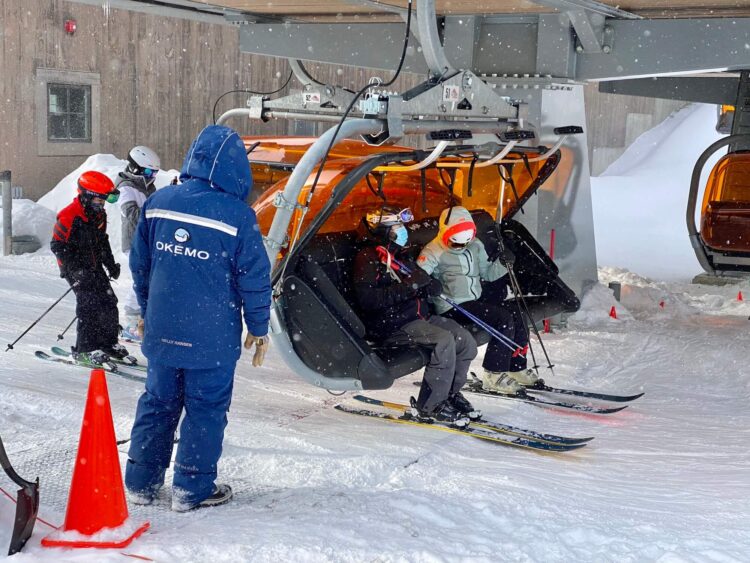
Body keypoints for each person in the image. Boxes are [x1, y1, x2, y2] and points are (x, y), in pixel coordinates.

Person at [124, 125, 272, 512]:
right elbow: (254, 279)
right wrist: (258, 328)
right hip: (211, 340)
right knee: (205, 411)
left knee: (158, 403)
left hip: (162, 331)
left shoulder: (159, 203)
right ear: (236, 168)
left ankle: (141, 481)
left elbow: (141, 267)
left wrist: (145, 311)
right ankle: (191, 489)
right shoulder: (238, 216)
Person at [352, 206, 479, 422]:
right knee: (444, 341)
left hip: (417, 316)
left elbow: (417, 277)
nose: (403, 231)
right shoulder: (368, 258)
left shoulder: (398, 254)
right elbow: (369, 301)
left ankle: (449, 394)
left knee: (465, 341)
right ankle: (430, 405)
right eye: (397, 227)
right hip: (392, 324)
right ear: (384, 230)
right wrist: (409, 287)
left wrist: (429, 285)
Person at [417, 206, 536, 395]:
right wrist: (428, 284)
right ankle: (494, 374)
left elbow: (488, 274)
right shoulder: (433, 251)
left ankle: (516, 366)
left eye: (465, 242)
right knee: (502, 320)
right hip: (452, 306)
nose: (461, 247)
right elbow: (418, 277)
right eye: (455, 244)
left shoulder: (475, 245)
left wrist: (504, 264)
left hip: (474, 300)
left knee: (517, 313)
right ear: (445, 233)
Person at [50, 170, 128, 364]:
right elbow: (57, 245)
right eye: (98, 201)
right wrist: (75, 270)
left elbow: (102, 241)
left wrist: (110, 264)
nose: (101, 206)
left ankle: (107, 343)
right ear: (87, 196)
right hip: (75, 269)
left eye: (103, 202)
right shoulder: (69, 216)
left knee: (109, 302)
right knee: (89, 305)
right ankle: (84, 349)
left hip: (93, 267)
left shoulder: (98, 215)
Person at [116, 146, 161, 340]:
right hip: (134, 242)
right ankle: (132, 322)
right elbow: (132, 214)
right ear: (136, 168)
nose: (153, 176)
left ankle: (144, 318)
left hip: (148, 242)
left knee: (150, 279)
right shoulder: (124, 187)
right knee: (140, 279)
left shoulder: (148, 187)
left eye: (155, 173)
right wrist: (154, 213)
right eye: (150, 172)